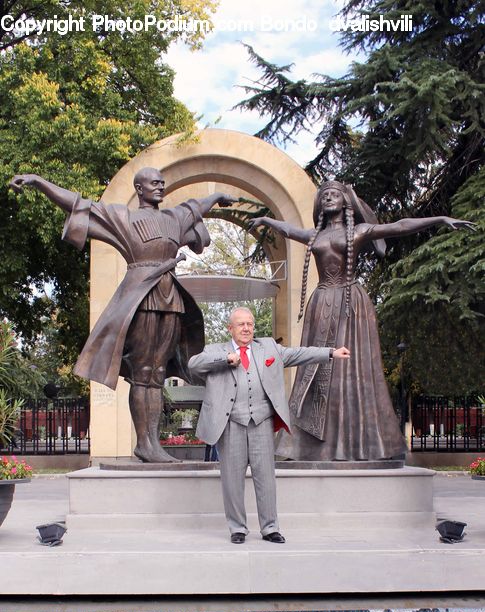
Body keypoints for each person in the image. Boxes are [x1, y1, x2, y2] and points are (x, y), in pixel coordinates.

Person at [9, 168, 235, 463]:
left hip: (171, 297)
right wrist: (38, 181)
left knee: (157, 374)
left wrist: (217, 196)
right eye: (154, 183)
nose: (161, 188)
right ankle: (145, 444)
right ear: (139, 189)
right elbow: (77, 204)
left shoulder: (173, 218)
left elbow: (196, 206)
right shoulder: (123, 217)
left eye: (162, 183)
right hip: (141, 295)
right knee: (142, 373)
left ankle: (153, 444)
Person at [250, 182, 474, 462]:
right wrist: (266, 219)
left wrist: (439, 219)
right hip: (321, 305)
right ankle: (307, 445)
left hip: (350, 303)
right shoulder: (313, 235)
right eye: (325, 195)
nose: (329, 197)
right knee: (315, 369)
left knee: (352, 372)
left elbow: (400, 226)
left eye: (335, 194)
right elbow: (286, 229)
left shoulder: (360, 230)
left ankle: (356, 444)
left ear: (346, 202)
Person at [188, 307, 350, 543]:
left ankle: (270, 528)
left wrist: (330, 353)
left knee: (266, 478)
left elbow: (299, 354)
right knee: (232, 481)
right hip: (231, 424)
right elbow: (194, 364)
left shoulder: (268, 348)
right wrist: (225, 360)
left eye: (250, 324)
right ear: (230, 328)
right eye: (241, 324)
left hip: (261, 423)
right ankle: (238, 529)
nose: (246, 328)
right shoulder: (215, 351)